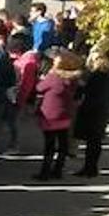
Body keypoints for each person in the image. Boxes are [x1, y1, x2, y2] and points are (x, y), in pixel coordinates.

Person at [34, 51, 83, 181]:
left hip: (50, 114)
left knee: (49, 145)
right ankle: (58, 170)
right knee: (62, 145)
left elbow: (39, 88)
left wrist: (45, 77)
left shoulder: (53, 78)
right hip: (65, 113)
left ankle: (45, 172)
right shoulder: (73, 79)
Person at [74, 52, 109, 177]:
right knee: (95, 141)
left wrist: (81, 85)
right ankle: (91, 168)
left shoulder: (96, 75)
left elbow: (86, 90)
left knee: (92, 142)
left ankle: (89, 168)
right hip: (102, 109)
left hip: (92, 109)